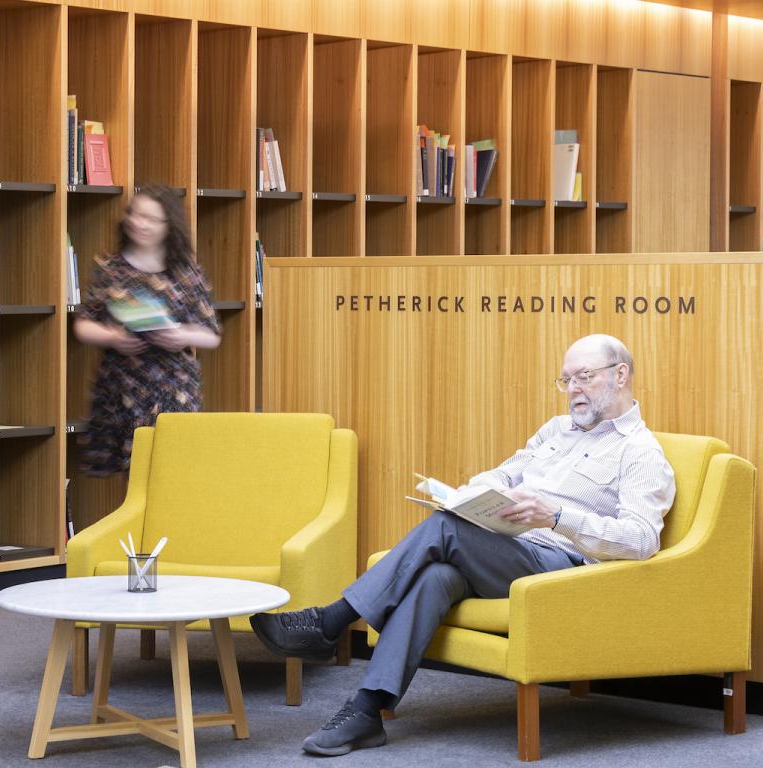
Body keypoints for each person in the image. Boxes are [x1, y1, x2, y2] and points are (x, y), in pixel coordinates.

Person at [250, 334, 676, 756]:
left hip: (562, 569)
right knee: (437, 576)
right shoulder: (557, 431)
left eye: (584, 377)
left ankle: (332, 620)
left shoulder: (640, 453)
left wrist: (559, 517)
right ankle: (367, 710)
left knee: (446, 528)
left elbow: (641, 540)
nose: (573, 391)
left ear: (620, 375)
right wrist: (477, 497)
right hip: (508, 550)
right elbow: (504, 474)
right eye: (566, 381)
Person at [73, 185, 221, 476]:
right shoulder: (110, 268)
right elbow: (83, 325)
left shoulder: (186, 271)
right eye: (135, 215)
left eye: (151, 219)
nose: (139, 224)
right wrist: (112, 337)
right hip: (122, 387)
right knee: (134, 476)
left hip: (172, 388)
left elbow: (211, 334)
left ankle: (167, 524)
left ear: (169, 226)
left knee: (170, 472)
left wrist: (181, 335)